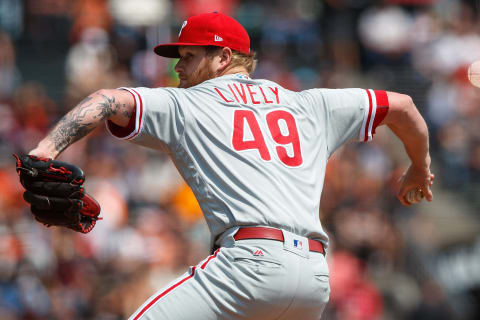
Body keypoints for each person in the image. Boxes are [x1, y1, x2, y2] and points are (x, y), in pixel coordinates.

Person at [27, 12, 434, 320]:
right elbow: (402, 105)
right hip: (313, 278)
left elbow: (106, 100)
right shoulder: (310, 103)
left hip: (248, 265)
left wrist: (44, 152)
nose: (179, 69)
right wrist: (420, 167)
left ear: (223, 57)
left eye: (188, 57)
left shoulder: (189, 103)